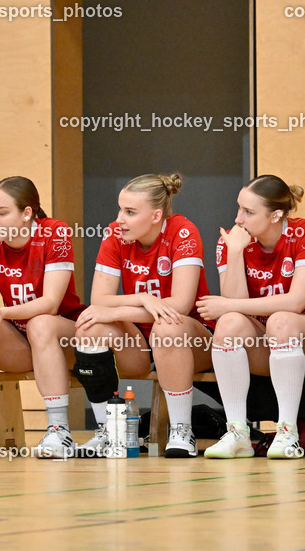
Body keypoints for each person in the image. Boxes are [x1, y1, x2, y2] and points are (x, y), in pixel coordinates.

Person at [195, 175, 305, 459]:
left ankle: (288, 433)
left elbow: (297, 301)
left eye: (248, 212)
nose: (238, 219)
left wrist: (226, 305)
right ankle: (237, 432)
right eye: (239, 208)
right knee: (229, 323)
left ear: (276, 215)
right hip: (265, 337)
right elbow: (233, 307)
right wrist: (235, 253)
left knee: (281, 319)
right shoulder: (231, 241)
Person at [73, 173, 212, 458]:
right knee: (90, 326)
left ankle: (182, 431)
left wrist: (123, 309)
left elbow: (181, 305)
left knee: (167, 325)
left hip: (192, 338)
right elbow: (99, 300)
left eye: (130, 212)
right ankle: (108, 433)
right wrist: (142, 298)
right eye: (120, 209)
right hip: (138, 341)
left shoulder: (182, 231)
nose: (119, 218)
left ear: (156, 215)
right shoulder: (115, 234)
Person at [0, 177, 85, 459]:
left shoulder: (55, 233)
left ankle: (59, 430)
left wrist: (4, 312)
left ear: (27, 214)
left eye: (2, 213)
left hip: (65, 337)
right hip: (22, 339)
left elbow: (50, 304)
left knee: (40, 323)